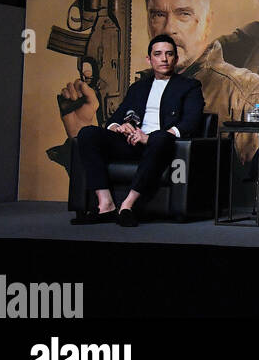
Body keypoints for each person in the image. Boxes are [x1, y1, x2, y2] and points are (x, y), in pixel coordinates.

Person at [144, 0, 259, 163]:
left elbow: (256, 187)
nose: (169, 28)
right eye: (158, 15)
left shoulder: (248, 92)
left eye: (184, 14)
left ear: (207, 22)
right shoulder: (141, 87)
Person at [71, 35, 205, 227]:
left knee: (161, 137)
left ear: (175, 59)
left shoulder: (189, 86)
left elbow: (190, 122)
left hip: (159, 146)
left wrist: (148, 137)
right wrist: (119, 127)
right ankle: (105, 204)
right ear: (149, 59)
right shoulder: (138, 88)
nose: (164, 59)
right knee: (87, 133)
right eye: (158, 54)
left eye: (169, 54)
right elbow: (115, 118)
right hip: (131, 142)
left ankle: (127, 205)